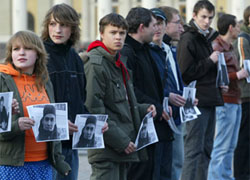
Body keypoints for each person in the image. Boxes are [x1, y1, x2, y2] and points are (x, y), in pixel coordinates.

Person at [84, 13, 156, 180]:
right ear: (101, 34)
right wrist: (121, 141)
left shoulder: (117, 62)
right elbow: (94, 110)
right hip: (106, 150)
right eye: (113, 32)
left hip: (120, 148)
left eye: (122, 33)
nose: (118, 37)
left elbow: (121, 103)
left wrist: (144, 108)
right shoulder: (96, 64)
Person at [0, 30, 70, 179]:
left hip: (44, 163)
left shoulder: (44, 81)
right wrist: (15, 124)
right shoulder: (2, 79)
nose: (21, 53)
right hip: (12, 164)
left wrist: (59, 161)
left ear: (38, 53)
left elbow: (51, 125)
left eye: (28, 48)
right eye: (16, 49)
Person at [121, 7, 173, 180]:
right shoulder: (128, 51)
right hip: (139, 123)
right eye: (153, 25)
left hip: (153, 120)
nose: (156, 29)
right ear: (142, 27)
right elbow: (130, 88)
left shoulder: (144, 49)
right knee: (140, 173)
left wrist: (162, 105)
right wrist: (155, 106)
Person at [177, 1, 226, 180]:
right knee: (193, 149)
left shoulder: (206, 37)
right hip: (195, 102)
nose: (207, 21)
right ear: (194, 15)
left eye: (210, 18)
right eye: (204, 17)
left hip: (209, 98)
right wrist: (210, 61)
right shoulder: (188, 38)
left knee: (206, 148)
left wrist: (220, 81)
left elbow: (203, 72)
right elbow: (186, 73)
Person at [41, 4, 89, 180]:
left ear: (73, 28)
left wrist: (92, 121)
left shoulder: (75, 57)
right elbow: (33, 100)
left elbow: (80, 99)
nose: (57, 30)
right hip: (46, 148)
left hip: (71, 144)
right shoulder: (40, 56)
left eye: (64, 25)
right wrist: (59, 123)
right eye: (53, 24)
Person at [207, 13, 249, 180]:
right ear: (230, 28)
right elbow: (218, 76)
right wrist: (238, 75)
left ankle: (225, 176)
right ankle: (216, 177)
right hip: (226, 100)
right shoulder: (217, 47)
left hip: (235, 99)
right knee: (222, 146)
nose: (239, 29)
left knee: (231, 145)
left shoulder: (229, 46)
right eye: (237, 26)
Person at [158, 6, 186, 180]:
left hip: (177, 114)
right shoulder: (160, 50)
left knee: (177, 162)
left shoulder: (170, 49)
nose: (181, 28)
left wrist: (185, 95)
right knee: (171, 165)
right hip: (166, 115)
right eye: (178, 23)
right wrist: (168, 96)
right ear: (165, 25)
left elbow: (176, 79)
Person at [233, 6, 250, 180]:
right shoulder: (243, 39)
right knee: (243, 140)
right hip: (245, 95)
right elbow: (246, 65)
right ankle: (241, 174)